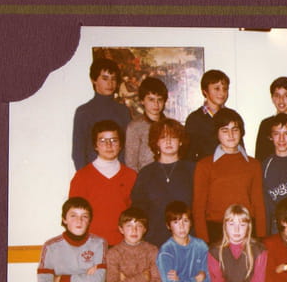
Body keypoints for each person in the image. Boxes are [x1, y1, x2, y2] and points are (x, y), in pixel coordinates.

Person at [192, 108, 266, 244]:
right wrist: (203, 241)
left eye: (235, 129)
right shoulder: (204, 165)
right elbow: (199, 208)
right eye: (225, 130)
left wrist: (261, 237)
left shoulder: (253, 164)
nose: (231, 135)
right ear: (216, 133)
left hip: (246, 230)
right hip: (215, 232)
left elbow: (258, 204)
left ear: (241, 132)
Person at [69, 120, 137, 246]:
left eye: (114, 140)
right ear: (95, 145)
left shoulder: (132, 176)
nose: (108, 145)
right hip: (91, 245)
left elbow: (136, 214)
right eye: (103, 141)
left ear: (121, 145)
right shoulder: (82, 176)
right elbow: (74, 215)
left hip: (123, 245)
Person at [131, 118, 195, 246]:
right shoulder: (146, 173)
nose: (168, 141)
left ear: (180, 141)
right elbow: (138, 210)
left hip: (188, 241)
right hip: (154, 241)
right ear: (156, 142)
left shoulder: (193, 170)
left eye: (173, 137)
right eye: (163, 137)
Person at [72, 58, 130, 170]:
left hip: (119, 173)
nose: (110, 83)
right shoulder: (84, 112)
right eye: (105, 78)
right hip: (93, 173)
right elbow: (78, 152)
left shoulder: (123, 111)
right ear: (94, 80)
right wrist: (85, 177)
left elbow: (127, 148)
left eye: (113, 79)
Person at [184, 69, 230, 162]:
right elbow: (189, 154)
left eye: (225, 89)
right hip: (205, 168)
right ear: (205, 91)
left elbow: (240, 148)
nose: (222, 93)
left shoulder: (231, 116)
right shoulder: (194, 119)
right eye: (217, 88)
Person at [124, 77, 169, 172]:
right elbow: (131, 163)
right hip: (144, 177)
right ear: (142, 101)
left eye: (160, 99)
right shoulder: (135, 127)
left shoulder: (170, 126)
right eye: (151, 99)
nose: (156, 104)